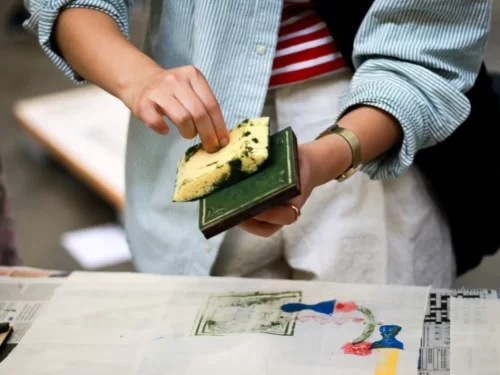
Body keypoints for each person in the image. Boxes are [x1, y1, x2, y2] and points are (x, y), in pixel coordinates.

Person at [23, 0, 491, 287]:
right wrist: (137, 78)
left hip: (370, 137)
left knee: (374, 342)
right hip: (191, 116)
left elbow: (426, 48)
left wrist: (326, 155)